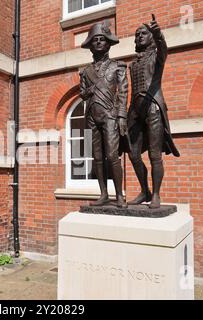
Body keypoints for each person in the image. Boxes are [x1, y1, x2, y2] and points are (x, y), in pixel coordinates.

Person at [127, 15, 180, 209]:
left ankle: (156, 194)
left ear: (151, 37)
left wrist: (159, 35)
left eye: (143, 33)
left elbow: (164, 50)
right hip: (135, 111)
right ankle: (144, 191)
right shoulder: (133, 63)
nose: (139, 36)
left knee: (155, 155)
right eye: (137, 34)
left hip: (153, 107)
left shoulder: (157, 56)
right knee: (132, 154)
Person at [79, 21, 128, 208]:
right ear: (90, 45)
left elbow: (123, 92)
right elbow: (82, 93)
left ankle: (120, 196)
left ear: (108, 43)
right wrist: (89, 90)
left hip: (110, 115)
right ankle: (104, 194)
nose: (98, 43)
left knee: (113, 155)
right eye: (95, 40)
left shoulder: (118, 67)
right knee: (97, 157)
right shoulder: (85, 71)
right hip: (91, 116)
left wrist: (122, 116)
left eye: (102, 39)